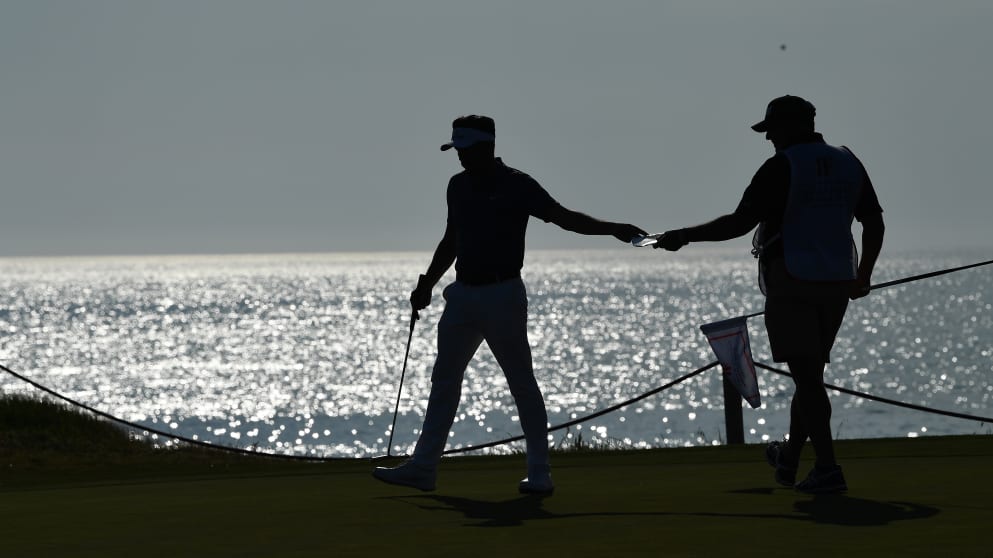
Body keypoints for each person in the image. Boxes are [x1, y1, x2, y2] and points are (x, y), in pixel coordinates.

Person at [373, 115, 646, 495]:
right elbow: (451, 239)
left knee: (521, 383)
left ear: (487, 146)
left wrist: (612, 227)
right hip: (463, 294)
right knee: (444, 381)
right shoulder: (457, 186)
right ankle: (423, 468)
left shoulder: (518, 184)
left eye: (465, 150)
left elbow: (563, 218)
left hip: (503, 294)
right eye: (457, 150)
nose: (460, 157)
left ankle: (540, 473)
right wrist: (427, 284)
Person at [654, 95, 884, 494]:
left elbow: (737, 223)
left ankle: (828, 469)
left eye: (772, 130)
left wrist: (683, 236)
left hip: (791, 280)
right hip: (837, 283)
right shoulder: (849, 160)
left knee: (809, 380)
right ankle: (790, 459)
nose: (769, 139)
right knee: (810, 376)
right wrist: (863, 273)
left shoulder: (781, 167)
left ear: (791, 127)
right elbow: (874, 223)